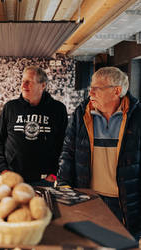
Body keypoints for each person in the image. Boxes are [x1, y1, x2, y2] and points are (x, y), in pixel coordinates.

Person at [57, 66, 141, 238]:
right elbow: (68, 152)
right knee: (91, 242)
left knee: (122, 243)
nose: (91, 93)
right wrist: (63, 185)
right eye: (90, 88)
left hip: (126, 203)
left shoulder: (137, 116)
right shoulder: (81, 114)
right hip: (89, 198)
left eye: (96, 89)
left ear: (116, 91)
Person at [0, 66, 68, 186]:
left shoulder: (58, 109)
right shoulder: (10, 107)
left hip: (44, 179)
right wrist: (3, 169)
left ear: (43, 85)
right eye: (23, 81)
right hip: (12, 176)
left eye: (29, 82)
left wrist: (54, 173)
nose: (23, 85)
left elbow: (64, 143)